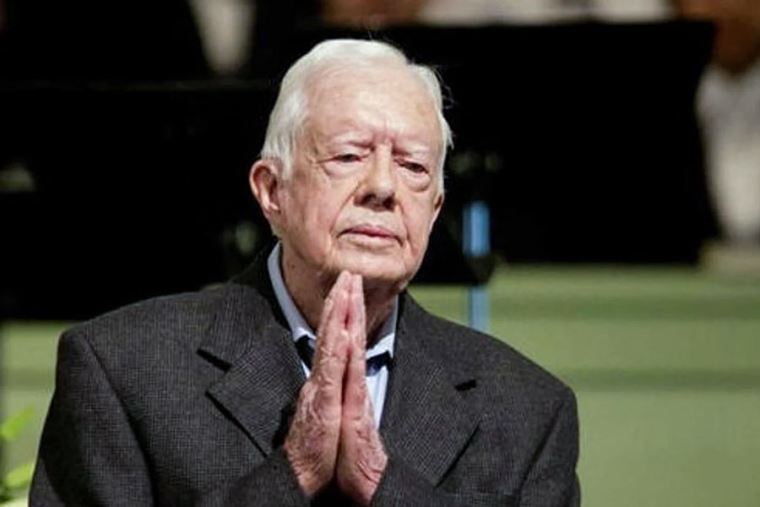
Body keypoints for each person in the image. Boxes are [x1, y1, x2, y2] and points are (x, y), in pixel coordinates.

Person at [30, 39, 580, 506]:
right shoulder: (124, 370)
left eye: (412, 166)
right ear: (272, 191)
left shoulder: (528, 410)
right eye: (348, 157)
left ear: (434, 210)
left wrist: (381, 483)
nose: (382, 187)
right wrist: (293, 472)